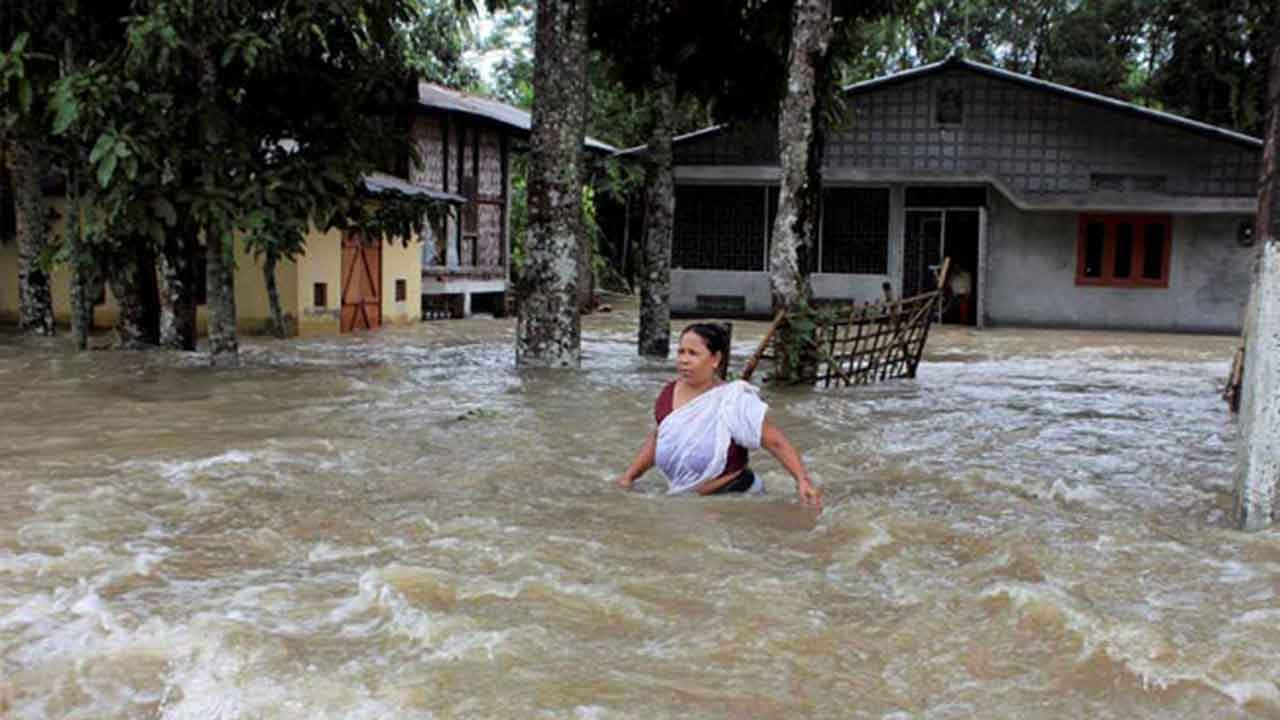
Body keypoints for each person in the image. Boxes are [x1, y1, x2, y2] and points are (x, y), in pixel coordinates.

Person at [616, 323, 823, 507]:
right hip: (683, 500)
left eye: (693, 353)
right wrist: (629, 477)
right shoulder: (668, 394)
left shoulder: (733, 400)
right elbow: (661, 438)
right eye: (681, 352)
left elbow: (775, 442)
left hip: (735, 499)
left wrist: (802, 480)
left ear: (715, 359)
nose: (684, 360)